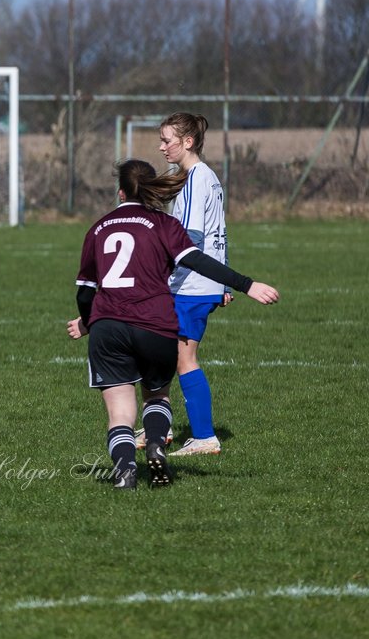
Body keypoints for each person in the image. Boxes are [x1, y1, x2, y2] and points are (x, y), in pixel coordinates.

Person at [66, 159, 279, 490]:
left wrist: (90, 322)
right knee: (157, 397)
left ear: (120, 192)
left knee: (120, 414)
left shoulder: (99, 227)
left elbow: (84, 293)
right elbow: (197, 260)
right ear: (152, 190)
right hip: (156, 324)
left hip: (108, 327)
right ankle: (155, 444)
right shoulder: (164, 224)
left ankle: (125, 470)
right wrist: (246, 284)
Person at [157, 111, 230, 457]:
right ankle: (163, 425)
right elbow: (220, 233)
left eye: (167, 140)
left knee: (185, 358)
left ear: (187, 142)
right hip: (205, 281)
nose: (161, 147)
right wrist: (224, 281)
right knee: (171, 354)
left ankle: (203, 436)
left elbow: (189, 237)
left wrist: (157, 269)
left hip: (191, 284)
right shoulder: (207, 176)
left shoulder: (194, 179)